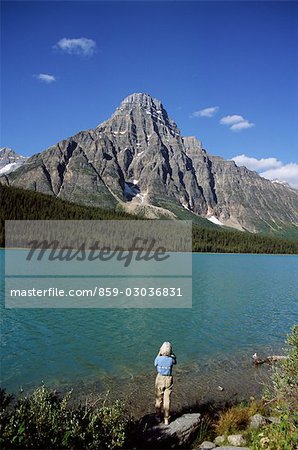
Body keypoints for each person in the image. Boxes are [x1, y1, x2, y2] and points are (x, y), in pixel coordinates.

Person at [154, 341, 176, 425]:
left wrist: (159, 353)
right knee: (167, 400)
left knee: (158, 398)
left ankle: (157, 416)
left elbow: (155, 363)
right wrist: (172, 353)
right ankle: (166, 418)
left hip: (160, 378)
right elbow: (175, 361)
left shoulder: (158, 359)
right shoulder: (171, 360)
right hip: (168, 379)